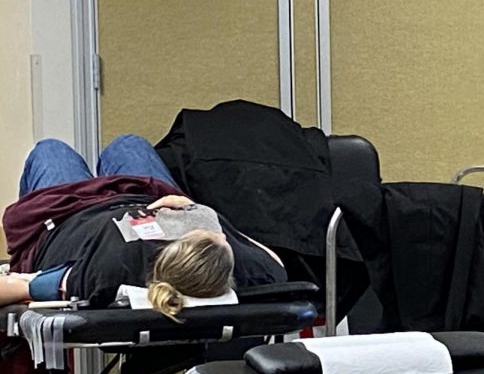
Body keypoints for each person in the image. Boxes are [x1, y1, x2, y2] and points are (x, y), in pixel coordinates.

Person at [1, 135, 287, 318]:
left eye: (202, 227)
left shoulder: (108, 272)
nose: (218, 231)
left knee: (51, 149)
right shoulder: (241, 263)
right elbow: (276, 265)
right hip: (145, 196)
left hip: (71, 214)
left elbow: (17, 286)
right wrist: (194, 208)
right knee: (129, 144)